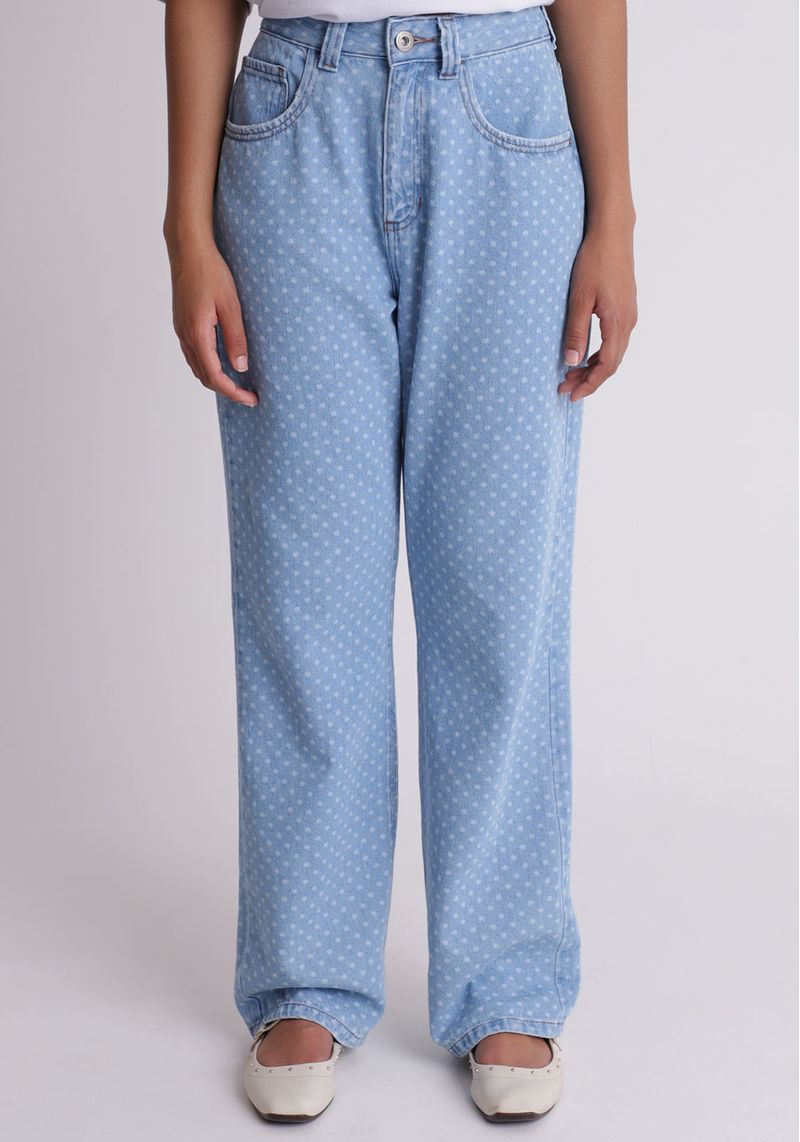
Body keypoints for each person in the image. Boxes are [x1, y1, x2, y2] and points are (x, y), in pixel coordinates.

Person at [159, 0, 637, 1123]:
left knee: (497, 591)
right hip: (296, 120)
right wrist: (184, 225)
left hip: (507, 116)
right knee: (306, 588)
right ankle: (305, 974)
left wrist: (614, 213)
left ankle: (505, 976)